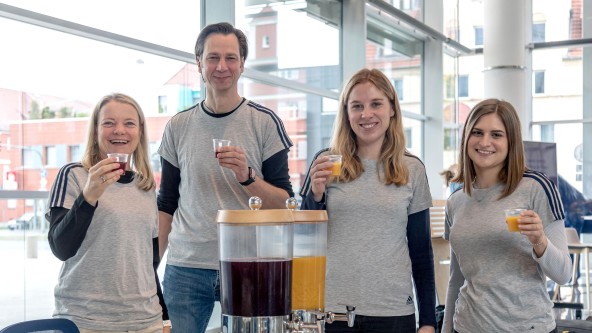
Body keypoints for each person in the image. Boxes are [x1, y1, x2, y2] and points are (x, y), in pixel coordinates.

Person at [157, 22, 294, 333]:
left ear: (242, 65)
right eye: (213, 57)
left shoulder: (265, 123)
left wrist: (248, 177)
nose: (221, 66)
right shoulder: (177, 126)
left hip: (250, 263)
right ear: (199, 63)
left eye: (231, 58)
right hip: (186, 266)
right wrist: (151, 265)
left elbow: (285, 204)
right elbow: (166, 204)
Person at [300, 68, 436, 333]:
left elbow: (421, 251)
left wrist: (429, 320)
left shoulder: (413, 169)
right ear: (346, 112)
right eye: (357, 106)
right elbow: (305, 241)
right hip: (332, 312)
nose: (366, 114)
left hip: (393, 311)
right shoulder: (326, 163)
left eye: (376, 104)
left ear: (392, 109)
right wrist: (314, 195)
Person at [441, 99, 571, 333]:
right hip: (466, 326)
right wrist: (446, 329)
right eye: (477, 132)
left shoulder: (537, 187)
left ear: (511, 141)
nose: (484, 142)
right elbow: (456, 277)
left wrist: (540, 241)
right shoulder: (456, 200)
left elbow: (563, 274)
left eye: (497, 135)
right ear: (466, 138)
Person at [46, 93, 170, 333]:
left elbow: (148, 262)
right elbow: (61, 248)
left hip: (146, 322)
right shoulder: (73, 175)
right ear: (96, 130)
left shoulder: (145, 185)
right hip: (86, 322)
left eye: (129, 123)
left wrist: (165, 320)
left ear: (140, 132)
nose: (119, 130)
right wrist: (89, 195)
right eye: (109, 123)